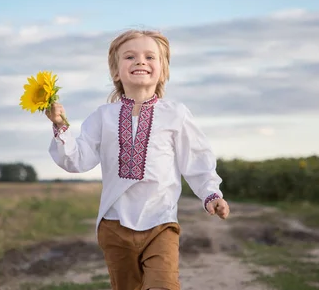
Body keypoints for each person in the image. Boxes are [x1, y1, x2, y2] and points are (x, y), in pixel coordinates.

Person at [46, 29, 230, 290]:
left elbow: (197, 158)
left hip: (161, 222)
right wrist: (60, 127)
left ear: (163, 70)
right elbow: (78, 160)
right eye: (130, 57)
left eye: (149, 57)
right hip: (114, 224)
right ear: (115, 72)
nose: (140, 61)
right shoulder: (103, 116)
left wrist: (211, 194)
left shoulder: (175, 114)